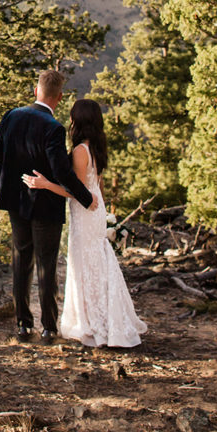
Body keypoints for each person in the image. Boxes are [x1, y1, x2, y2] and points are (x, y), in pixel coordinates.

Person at [24, 98, 146, 348]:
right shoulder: (97, 147)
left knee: (85, 263)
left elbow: (76, 191)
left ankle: (93, 321)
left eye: (72, 116)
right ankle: (105, 317)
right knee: (96, 262)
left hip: (86, 212)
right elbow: (97, 185)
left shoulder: (80, 150)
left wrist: (45, 184)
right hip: (95, 210)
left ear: (78, 121)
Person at [0, 69, 94, 344]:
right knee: (46, 264)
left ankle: (23, 325)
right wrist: (86, 198)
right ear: (59, 97)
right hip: (46, 206)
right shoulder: (53, 128)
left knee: (21, 261)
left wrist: (4, 189)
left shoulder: (11, 116)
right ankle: (48, 328)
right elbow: (62, 171)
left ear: (36, 91)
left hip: (15, 202)